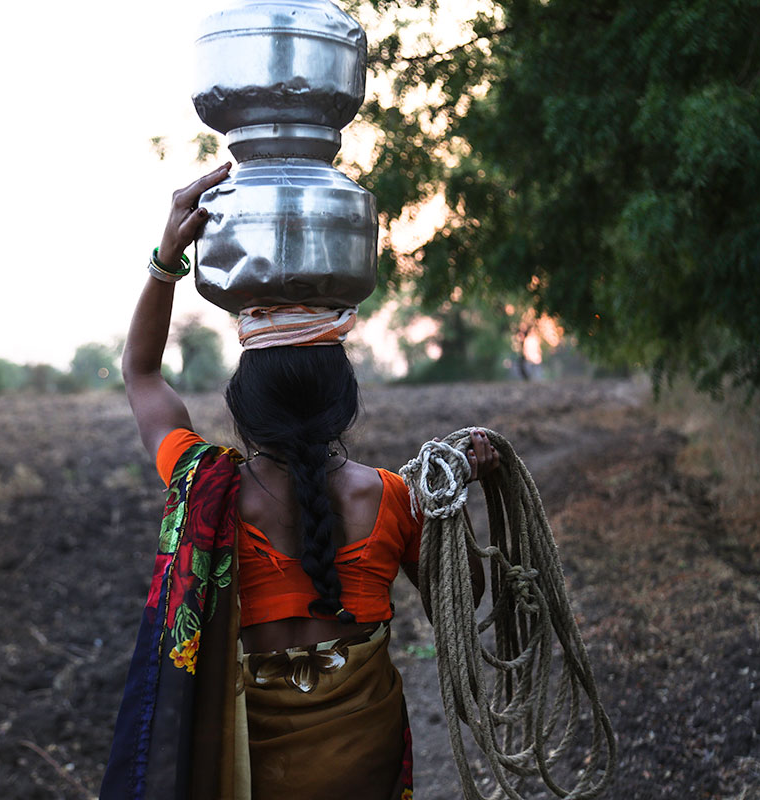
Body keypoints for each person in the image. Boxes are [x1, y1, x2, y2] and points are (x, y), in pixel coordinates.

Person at [102, 163, 497, 800]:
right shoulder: (393, 497)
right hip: (360, 764)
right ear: (344, 401)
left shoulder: (203, 483)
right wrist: (455, 504)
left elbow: (141, 373)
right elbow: (460, 600)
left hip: (248, 772)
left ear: (242, 406)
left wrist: (167, 258)